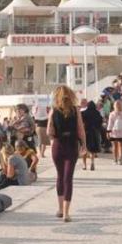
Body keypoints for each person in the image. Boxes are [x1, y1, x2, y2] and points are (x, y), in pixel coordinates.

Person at [46, 85, 86, 222]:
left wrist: (53, 141)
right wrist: (84, 145)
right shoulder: (76, 110)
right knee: (68, 178)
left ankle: (60, 208)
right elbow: (80, 130)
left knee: (60, 176)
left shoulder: (53, 111)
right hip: (71, 145)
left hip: (58, 145)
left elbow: (48, 132)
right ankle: (66, 213)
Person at [80, 99, 104, 172]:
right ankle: (92, 162)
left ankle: (84, 165)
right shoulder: (97, 113)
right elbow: (100, 122)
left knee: (84, 148)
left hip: (85, 132)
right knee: (92, 149)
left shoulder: (84, 113)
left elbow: (81, 122)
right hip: (94, 133)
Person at [106, 100, 122, 166]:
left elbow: (110, 124)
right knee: (121, 146)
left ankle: (115, 160)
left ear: (114, 106)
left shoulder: (112, 113)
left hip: (114, 132)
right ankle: (120, 159)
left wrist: (108, 131)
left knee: (114, 146)